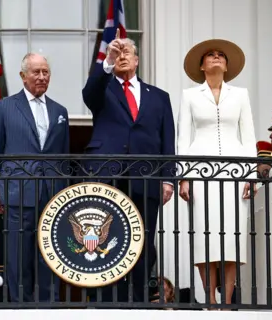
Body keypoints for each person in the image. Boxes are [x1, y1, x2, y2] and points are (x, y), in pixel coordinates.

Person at [82, 33, 176, 302]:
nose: (122, 57)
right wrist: (107, 62)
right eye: (117, 53)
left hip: (145, 177)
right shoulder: (104, 89)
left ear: (136, 60)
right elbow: (89, 94)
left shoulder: (159, 97)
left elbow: (166, 139)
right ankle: (104, 300)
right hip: (106, 175)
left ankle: (138, 299)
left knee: (142, 241)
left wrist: (168, 179)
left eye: (126, 53)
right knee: (104, 239)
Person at [177, 39, 257, 308]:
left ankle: (228, 300)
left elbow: (249, 137)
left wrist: (251, 175)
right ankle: (209, 299)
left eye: (221, 55)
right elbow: (183, 139)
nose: (216, 57)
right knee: (204, 234)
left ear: (227, 64)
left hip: (235, 170)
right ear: (201, 65)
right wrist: (184, 175)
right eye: (210, 55)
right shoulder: (189, 95)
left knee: (234, 236)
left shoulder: (241, 94)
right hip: (201, 171)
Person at [0, 53, 70, 302]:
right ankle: (18, 308)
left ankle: (49, 307)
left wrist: (64, 191)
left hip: (52, 194)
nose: (42, 77)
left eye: (46, 72)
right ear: (23, 76)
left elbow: (63, 158)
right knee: (17, 256)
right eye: (36, 72)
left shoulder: (60, 111)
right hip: (17, 191)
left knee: (51, 254)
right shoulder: (5, 107)